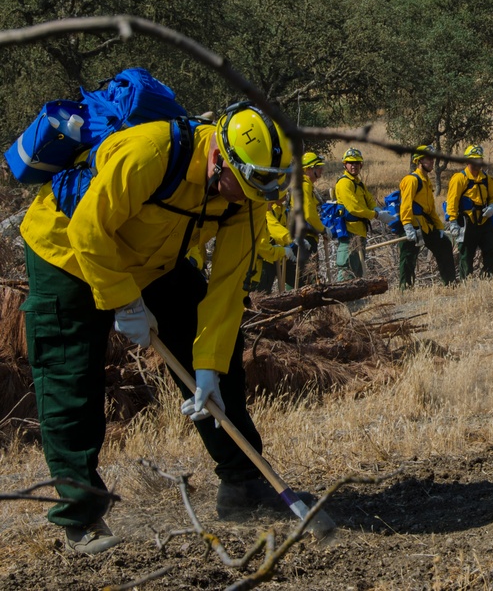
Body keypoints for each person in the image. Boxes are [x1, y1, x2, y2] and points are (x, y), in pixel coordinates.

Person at [19, 101, 303, 554]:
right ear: (217, 160)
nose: (246, 201)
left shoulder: (248, 192)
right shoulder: (148, 153)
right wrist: (124, 301)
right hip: (67, 249)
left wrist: (207, 367)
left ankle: (244, 485)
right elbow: (90, 232)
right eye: (241, 188)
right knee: (70, 377)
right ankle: (81, 519)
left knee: (219, 354)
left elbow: (228, 289)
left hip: (153, 259)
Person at [398, 145, 456, 287]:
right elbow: (405, 205)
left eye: (432, 159)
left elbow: (429, 209)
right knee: (408, 258)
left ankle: (450, 283)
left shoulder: (426, 181)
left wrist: (439, 227)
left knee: (444, 246)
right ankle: (405, 289)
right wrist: (407, 225)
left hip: (427, 226)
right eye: (428, 159)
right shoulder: (411, 180)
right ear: (419, 161)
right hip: (412, 225)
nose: (432, 162)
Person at [333, 147, 392, 280]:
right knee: (347, 269)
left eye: (357, 163)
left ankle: (356, 299)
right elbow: (355, 208)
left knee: (358, 269)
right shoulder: (344, 183)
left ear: (361, 165)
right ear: (345, 164)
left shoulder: (358, 183)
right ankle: (340, 298)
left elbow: (369, 199)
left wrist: (377, 209)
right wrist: (376, 215)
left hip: (360, 232)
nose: (354, 166)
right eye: (350, 163)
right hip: (349, 232)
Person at [445, 144, 493, 279]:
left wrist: (492, 207)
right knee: (466, 255)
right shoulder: (459, 178)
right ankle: (466, 283)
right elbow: (452, 201)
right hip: (466, 222)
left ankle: (486, 278)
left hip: (484, 221)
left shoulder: (486, 179)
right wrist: (453, 222)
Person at [283, 150, 326, 287]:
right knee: (304, 279)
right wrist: (323, 230)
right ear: (308, 169)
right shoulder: (304, 185)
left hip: (303, 237)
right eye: (318, 167)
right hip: (304, 238)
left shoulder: (304, 185)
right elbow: (309, 214)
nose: (321, 170)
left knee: (302, 277)